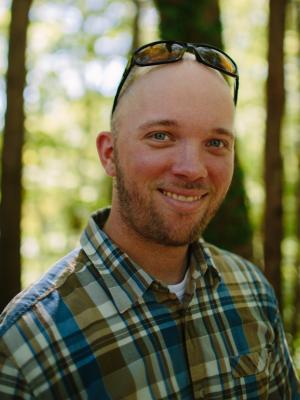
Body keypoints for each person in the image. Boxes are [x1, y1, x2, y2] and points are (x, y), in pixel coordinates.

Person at [0, 40, 299, 399]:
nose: (192, 168)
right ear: (110, 154)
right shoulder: (26, 344)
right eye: (161, 136)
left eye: (216, 143)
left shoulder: (252, 291)